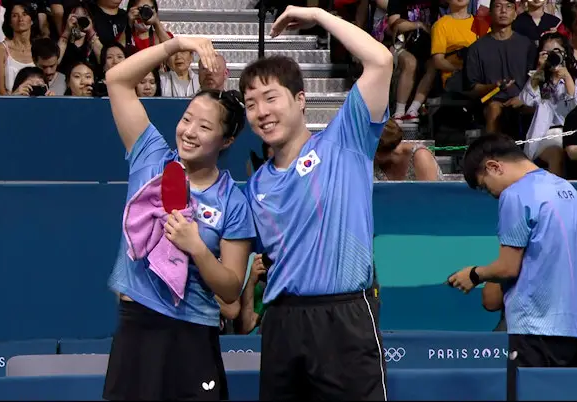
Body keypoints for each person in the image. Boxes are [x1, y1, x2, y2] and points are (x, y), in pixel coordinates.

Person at [240, 5, 393, 400]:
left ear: (301, 99)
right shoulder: (256, 184)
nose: (261, 111)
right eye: (251, 103)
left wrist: (319, 15)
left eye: (270, 97)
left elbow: (380, 60)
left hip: (344, 317)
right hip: (282, 322)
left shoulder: (346, 141)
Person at [102, 36, 256, 401]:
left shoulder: (233, 202)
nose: (189, 131)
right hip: (138, 323)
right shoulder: (150, 156)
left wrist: (198, 249)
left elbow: (232, 288)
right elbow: (117, 80)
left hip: (193, 334)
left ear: (227, 140)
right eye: (187, 119)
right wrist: (177, 46)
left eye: (204, 127)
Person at [447, 133, 577, 400]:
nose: (491, 193)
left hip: (535, 330)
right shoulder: (569, 190)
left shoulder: (514, 195)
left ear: (494, 166)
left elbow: (507, 267)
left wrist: (473, 274)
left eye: (484, 185)